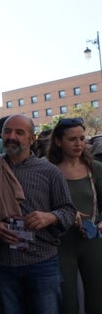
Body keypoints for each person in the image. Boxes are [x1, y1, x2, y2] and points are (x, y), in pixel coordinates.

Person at [0, 115, 75, 314]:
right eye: (7, 131)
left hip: (42, 262)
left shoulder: (49, 171)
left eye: (19, 132)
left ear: (32, 138)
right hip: (3, 263)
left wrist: (50, 217)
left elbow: (68, 211)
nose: (11, 136)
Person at [46, 118, 102, 314]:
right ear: (59, 141)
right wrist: (66, 214)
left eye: (81, 138)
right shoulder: (49, 169)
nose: (79, 143)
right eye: (72, 139)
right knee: (67, 303)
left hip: (93, 241)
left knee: (97, 301)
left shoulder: (95, 168)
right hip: (62, 243)